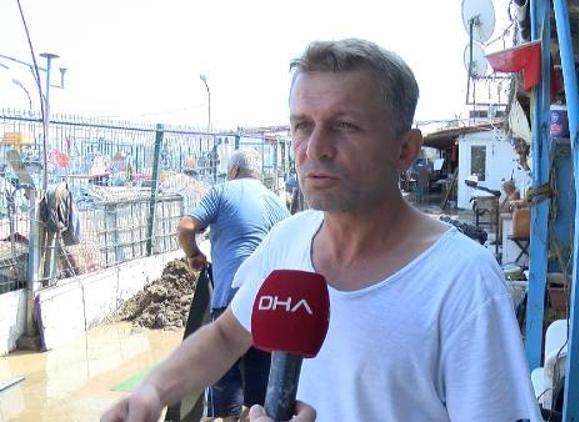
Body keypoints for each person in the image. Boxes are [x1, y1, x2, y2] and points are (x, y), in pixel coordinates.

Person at [102, 38, 540, 422]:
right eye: (302, 125)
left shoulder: (463, 280)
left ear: (405, 149)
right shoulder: (288, 240)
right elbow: (227, 336)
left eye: (344, 126)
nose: (314, 148)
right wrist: (153, 390)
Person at [177, 148, 290, 420]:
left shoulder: (222, 191)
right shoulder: (276, 202)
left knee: (223, 384)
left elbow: (186, 227)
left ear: (234, 171)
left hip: (230, 301)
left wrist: (193, 255)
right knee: (260, 394)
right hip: (268, 306)